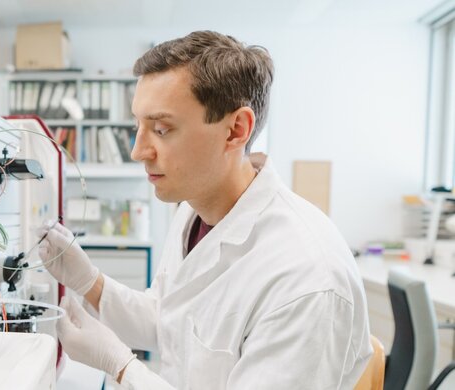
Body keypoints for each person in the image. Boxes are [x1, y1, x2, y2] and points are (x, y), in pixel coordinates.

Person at [38, 30, 372, 389]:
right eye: (139, 126)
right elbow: (170, 320)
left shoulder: (306, 279)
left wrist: (122, 368)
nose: (138, 151)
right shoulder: (195, 210)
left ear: (235, 130)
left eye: (162, 129)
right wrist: (90, 283)